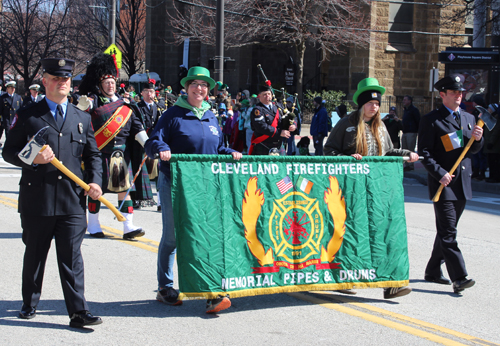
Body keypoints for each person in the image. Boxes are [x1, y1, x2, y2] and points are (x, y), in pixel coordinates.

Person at [2, 58, 103, 328]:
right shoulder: (28, 115)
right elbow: (9, 152)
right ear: (45, 82)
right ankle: (29, 302)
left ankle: (78, 311)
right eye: (56, 79)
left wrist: (95, 182)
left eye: (66, 79)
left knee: (71, 258)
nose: (62, 83)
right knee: (35, 254)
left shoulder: (81, 117)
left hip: (71, 199)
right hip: (38, 199)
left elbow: (93, 155)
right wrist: (34, 157)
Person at [144, 66, 242, 314]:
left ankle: (211, 290)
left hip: (206, 185)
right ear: (186, 88)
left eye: (204, 85)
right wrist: (161, 148)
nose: (200, 89)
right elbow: (152, 141)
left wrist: (231, 153)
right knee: (173, 236)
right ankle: (165, 287)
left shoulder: (211, 116)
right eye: (195, 84)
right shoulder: (173, 114)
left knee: (207, 236)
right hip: (175, 183)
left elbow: (218, 147)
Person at [324, 77, 418, 299]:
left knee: (381, 234)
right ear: (362, 104)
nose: (374, 107)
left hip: (377, 191)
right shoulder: (346, 124)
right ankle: (343, 279)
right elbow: (328, 150)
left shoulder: (381, 126)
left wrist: (408, 155)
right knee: (349, 234)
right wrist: (347, 158)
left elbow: (389, 153)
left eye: (376, 104)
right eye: (370, 103)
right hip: (350, 191)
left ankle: (390, 283)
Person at [418, 74, 483, 294]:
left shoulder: (468, 118)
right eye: (454, 92)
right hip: (443, 185)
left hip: (462, 184)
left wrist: (478, 138)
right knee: (448, 233)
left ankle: (433, 270)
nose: (459, 96)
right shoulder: (431, 120)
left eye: (461, 92)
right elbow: (425, 154)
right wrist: (440, 174)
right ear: (442, 95)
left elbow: (471, 150)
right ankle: (460, 277)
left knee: (447, 230)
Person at [78, 53, 150, 239]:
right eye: (107, 82)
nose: (110, 85)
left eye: (113, 82)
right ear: (100, 85)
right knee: (95, 191)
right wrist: (83, 104)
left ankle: (128, 226)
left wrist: (148, 144)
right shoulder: (93, 102)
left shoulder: (126, 106)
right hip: (99, 154)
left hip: (120, 156)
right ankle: (93, 224)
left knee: (124, 190)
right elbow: (81, 114)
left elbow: (137, 129)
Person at [249, 85, 296, 155]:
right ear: (259, 96)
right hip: (264, 144)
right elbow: (261, 127)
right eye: (264, 94)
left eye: (269, 94)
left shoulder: (278, 106)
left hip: (279, 145)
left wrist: (293, 125)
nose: (267, 96)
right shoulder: (257, 110)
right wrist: (279, 132)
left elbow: (291, 116)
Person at [402, 95, 421, 171]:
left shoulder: (414, 110)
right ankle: (406, 164)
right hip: (405, 132)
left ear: (409, 101)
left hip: (411, 132)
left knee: (410, 149)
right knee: (404, 149)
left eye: (405, 100)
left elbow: (418, 121)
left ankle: (411, 165)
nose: (404, 101)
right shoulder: (405, 110)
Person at [483, 103, 500, 183]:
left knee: (494, 162)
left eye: (489, 108)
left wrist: (491, 142)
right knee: (490, 161)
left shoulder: (496, 118)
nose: (488, 110)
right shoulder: (490, 117)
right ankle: (491, 176)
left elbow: (495, 131)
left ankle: (495, 177)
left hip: (494, 145)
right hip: (489, 142)